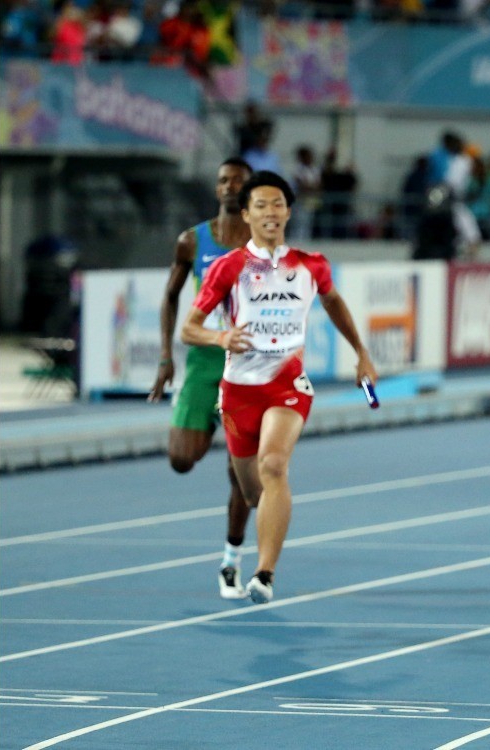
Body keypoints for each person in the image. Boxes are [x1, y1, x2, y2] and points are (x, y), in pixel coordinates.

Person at [180, 170, 377, 604]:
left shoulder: (311, 264)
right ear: (246, 215)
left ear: (288, 211)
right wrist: (220, 337)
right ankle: (235, 549)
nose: (270, 212)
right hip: (238, 391)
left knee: (274, 466)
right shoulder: (229, 268)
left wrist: (361, 353)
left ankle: (265, 574)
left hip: (287, 385)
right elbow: (189, 328)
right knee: (251, 490)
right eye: (261, 205)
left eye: (277, 204)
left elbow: (334, 302)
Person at [149, 157, 253, 600]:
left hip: (248, 366)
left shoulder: (264, 242)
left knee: (240, 476)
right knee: (181, 459)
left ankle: (230, 560)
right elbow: (171, 296)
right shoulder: (192, 241)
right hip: (203, 360)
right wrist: (164, 357)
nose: (229, 186)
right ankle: (210, 424)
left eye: (238, 181)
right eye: (223, 180)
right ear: (216, 189)